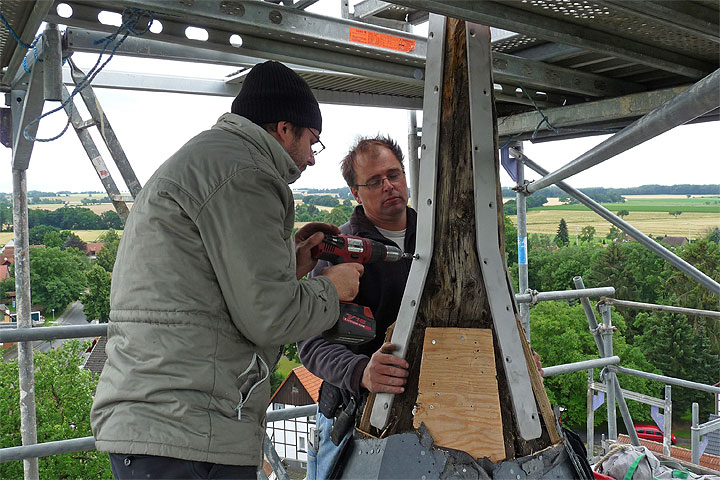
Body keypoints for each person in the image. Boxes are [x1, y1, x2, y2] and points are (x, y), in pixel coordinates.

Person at [90, 61, 364, 480]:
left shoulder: (213, 158)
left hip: (162, 420)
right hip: (188, 427)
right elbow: (270, 316)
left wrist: (289, 263)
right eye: (313, 141)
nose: (311, 158)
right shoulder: (247, 173)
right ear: (284, 128)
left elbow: (216, 285)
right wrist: (330, 287)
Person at [298, 135, 414, 480]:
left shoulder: (440, 239)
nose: (389, 186)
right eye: (375, 181)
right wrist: (361, 371)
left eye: (394, 175)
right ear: (356, 193)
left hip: (426, 408)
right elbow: (311, 344)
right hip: (352, 414)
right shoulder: (340, 249)